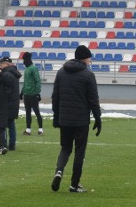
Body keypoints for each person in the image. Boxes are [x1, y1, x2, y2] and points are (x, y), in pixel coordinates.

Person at [51, 45, 102, 193]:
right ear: (85, 58)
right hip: (81, 120)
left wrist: (56, 116)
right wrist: (98, 119)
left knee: (65, 148)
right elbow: (93, 100)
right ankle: (74, 184)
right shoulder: (88, 75)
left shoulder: (61, 72)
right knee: (79, 152)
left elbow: (55, 97)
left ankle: (59, 171)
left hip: (65, 118)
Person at [0, 56, 22, 150]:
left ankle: (4, 144)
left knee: (3, 124)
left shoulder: (7, 74)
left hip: (7, 102)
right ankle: (12, 144)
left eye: (2, 63)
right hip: (13, 102)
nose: (0, 65)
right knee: (11, 124)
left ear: (6, 64)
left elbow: (7, 90)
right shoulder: (14, 73)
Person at [21, 51, 44, 136]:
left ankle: (40, 129)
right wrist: (22, 92)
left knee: (37, 112)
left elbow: (37, 81)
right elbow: (26, 82)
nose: (23, 61)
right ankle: (28, 130)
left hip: (33, 94)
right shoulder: (27, 69)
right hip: (26, 94)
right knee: (27, 113)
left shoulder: (33, 68)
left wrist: (38, 93)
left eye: (24, 59)